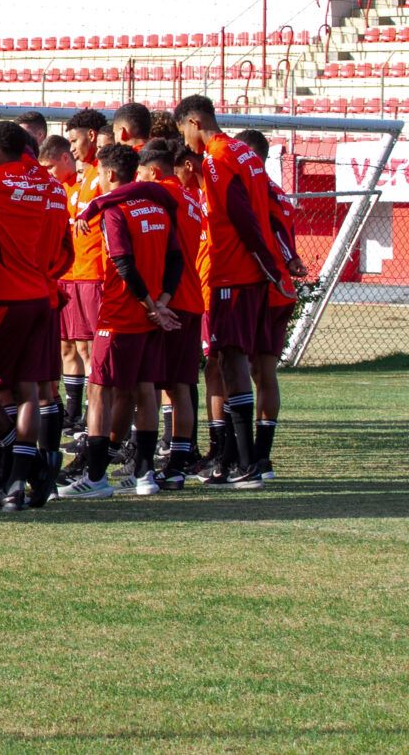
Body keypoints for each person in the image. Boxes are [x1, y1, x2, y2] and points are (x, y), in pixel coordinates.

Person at [173, 95, 289, 489]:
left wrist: (265, 262)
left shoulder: (218, 157)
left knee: (233, 362)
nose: (185, 141)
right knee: (229, 362)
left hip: (232, 274)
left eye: (183, 131)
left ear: (193, 120)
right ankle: (239, 460)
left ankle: (245, 465)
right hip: (246, 275)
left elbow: (240, 214)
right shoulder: (246, 153)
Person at [58, 144, 182, 499]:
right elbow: (176, 260)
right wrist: (161, 302)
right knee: (145, 391)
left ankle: (95, 477)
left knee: (99, 392)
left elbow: (123, 264)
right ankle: (145, 475)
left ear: (111, 174)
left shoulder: (114, 211)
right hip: (151, 314)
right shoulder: (158, 207)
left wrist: (149, 304)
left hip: (121, 313)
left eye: (99, 173)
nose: (97, 179)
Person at [0, 120, 69, 511]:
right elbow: (65, 251)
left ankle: (30, 464)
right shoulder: (53, 187)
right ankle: (14, 483)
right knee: (28, 392)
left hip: (1, 299)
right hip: (42, 298)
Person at [234, 128, 307, 480]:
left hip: (266, 288)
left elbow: (277, 231)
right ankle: (258, 456)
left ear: (251, 156)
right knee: (261, 372)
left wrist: (290, 258)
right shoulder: (272, 189)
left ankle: (251, 456)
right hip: (276, 288)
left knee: (237, 367)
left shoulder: (258, 187)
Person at [139, 138, 207, 487]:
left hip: (171, 300)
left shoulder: (162, 196)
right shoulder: (191, 197)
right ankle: (178, 461)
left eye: (140, 173)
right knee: (180, 385)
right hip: (192, 298)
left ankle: (144, 463)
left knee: (148, 383)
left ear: (153, 171)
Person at [59, 109, 109, 433]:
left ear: (91, 136)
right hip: (73, 273)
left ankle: (96, 417)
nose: (72, 149)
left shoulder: (101, 175)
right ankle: (76, 415)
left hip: (94, 273)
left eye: (75, 141)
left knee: (92, 348)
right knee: (74, 345)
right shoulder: (78, 180)